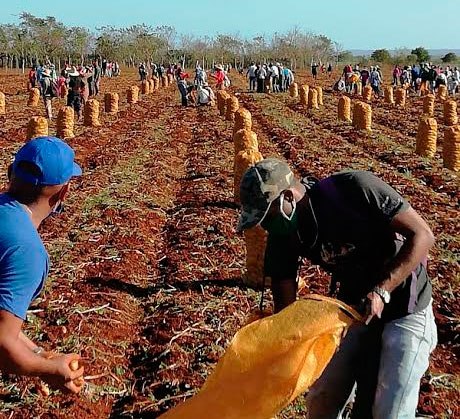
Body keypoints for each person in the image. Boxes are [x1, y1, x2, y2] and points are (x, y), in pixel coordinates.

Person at [237, 158, 437, 419]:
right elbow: (283, 302)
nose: (266, 226)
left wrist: (381, 290)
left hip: (406, 306)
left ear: (287, 197)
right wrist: (276, 342)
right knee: (322, 396)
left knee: (391, 410)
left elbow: (423, 235)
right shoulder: (284, 234)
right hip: (354, 308)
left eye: (268, 216)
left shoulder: (353, 189)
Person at [0, 137, 84, 394]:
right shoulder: (26, 252)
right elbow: (1, 341)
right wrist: (49, 370)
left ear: (11, 173)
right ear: (63, 192)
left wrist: (38, 353)